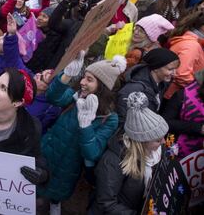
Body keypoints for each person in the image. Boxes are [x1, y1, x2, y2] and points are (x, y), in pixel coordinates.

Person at [38, 53, 126, 214]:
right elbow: (53, 97)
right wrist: (66, 75)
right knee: (34, 185)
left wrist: (86, 124)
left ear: (102, 87)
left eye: (90, 80)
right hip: (48, 151)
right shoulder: (77, 96)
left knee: (56, 193)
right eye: (84, 77)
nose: (83, 82)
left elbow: (92, 152)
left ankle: (54, 205)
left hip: (69, 165)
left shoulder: (109, 118)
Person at [90, 91, 169, 214]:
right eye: (158, 140)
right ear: (142, 142)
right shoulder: (112, 161)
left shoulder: (153, 152)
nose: (164, 142)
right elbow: (106, 203)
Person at [118, 48, 180, 124]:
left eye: (175, 69)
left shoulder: (162, 83)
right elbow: (122, 117)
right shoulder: (134, 89)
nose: (175, 73)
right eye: (170, 69)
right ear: (156, 68)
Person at [165, 11, 204, 98]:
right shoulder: (192, 45)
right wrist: (200, 88)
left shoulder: (193, 41)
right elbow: (182, 74)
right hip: (172, 96)